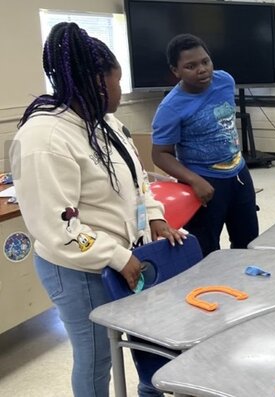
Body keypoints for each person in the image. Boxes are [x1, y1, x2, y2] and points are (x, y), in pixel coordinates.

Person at [11, 23, 185, 397]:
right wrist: (117, 256)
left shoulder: (104, 122)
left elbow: (137, 181)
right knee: (95, 360)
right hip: (78, 269)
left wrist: (153, 215)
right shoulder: (45, 137)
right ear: (97, 81)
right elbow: (56, 228)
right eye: (118, 82)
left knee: (146, 342)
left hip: (126, 256)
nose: (121, 92)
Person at [151, 34, 259, 257]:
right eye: (190, 66)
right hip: (203, 183)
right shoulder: (170, 108)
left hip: (239, 174)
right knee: (206, 250)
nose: (202, 70)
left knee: (248, 243)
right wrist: (194, 180)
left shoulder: (225, 80)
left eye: (205, 61)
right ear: (176, 71)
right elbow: (160, 154)